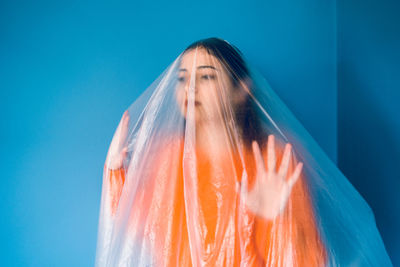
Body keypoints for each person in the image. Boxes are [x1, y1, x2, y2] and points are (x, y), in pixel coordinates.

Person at [95, 38, 393, 267]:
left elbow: (305, 258)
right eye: (183, 78)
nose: (190, 88)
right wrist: (115, 173)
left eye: (207, 76)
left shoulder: (273, 162)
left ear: (241, 90)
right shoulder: (166, 158)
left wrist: (279, 220)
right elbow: (132, 234)